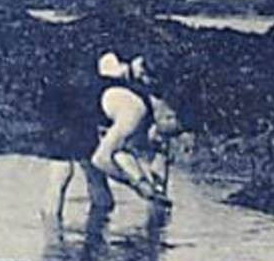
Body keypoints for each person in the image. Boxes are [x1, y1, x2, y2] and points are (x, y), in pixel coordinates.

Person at [41, 53, 176, 216]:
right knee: (62, 173)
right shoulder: (135, 112)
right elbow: (102, 159)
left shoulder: (154, 116)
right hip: (65, 105)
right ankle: (53, 234)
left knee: (104, 199)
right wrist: (136, 184)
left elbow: (126, 155)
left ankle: (95, 235)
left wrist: (152, 191)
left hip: (90, 110)